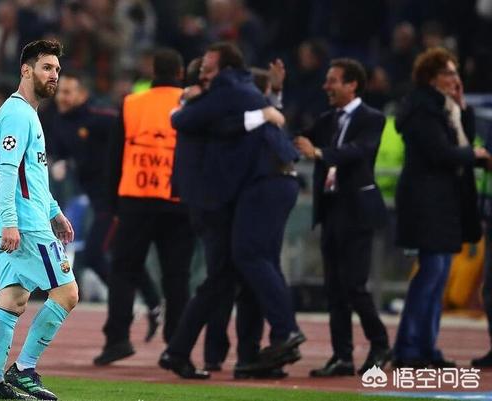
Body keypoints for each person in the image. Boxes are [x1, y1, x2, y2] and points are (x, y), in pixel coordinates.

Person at [159, 42, 304, 380]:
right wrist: (265, 110)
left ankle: (233, 352)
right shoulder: (223, 99)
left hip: (221, 199)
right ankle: (250, 349)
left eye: (208, 68)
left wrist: (267, 108)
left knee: (236, 271)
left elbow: (212, 123)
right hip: (217, 201)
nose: (204, 75)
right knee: (238, 270)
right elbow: (189, 120)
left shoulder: (225, 96)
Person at [0, 39, 78, 401]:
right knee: (67, 293)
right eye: (47, 68)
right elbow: (7, 171)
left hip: (27, 220)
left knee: (13, 299)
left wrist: (55, 212)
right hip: (24, 225)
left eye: (57, 69)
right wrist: (10, 221)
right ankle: (23, 369)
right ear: (26, 70)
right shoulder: (17, 114)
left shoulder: (27, 114)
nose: (54, 75)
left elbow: (31, 177)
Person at [41, 71, 162, 342]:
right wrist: (59, 163)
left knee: (96, 254)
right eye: (60, 92)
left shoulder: (101, 117)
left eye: (68, 92)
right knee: (125, 253)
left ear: (82, 94)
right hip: (97, 199)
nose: (62, 97)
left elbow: (131, 132)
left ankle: (125, 305)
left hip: (116, 199)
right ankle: (154, 304)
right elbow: (60, 152)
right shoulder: (58, 120)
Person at [93, 48, 195, 366]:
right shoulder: (191, 104)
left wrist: (112, 204)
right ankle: (176, 344)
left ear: (153, 72)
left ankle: (117, 339)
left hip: (135, 199)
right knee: (176, 276)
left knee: (124, 270)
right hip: (179, 201)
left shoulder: (131, 103)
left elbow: (114, 158)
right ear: (180, 73)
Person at [294, 58, 391, 377]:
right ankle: (342, 356)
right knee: (334, 288)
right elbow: (298, 137)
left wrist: (319, 152)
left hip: (357, 211)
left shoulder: (372, 118)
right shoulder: (327, 120)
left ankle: (380, 343)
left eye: (332, 80)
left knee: (354, 286)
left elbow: (359, 151)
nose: (326, 87)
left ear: (352, 85)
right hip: (331, 209)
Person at [393, 47, 489, 368]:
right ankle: (408, 349)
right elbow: (441, 153)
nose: (455, 78)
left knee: (437, 277)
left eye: (455, 72)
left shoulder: (446, 109)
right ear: (431, 77)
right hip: (427, 203)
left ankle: (425, 347)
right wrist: (475, 156)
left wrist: (463, 107)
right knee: (430, 275)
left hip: (443, 203)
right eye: (448, 73)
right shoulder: (422, 108)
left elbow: (461, 142)